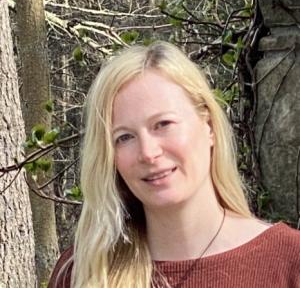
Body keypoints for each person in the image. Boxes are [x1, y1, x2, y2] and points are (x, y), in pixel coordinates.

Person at [48, 41, 300, 288]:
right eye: (124, 137)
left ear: (209, 126)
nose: (148, 153)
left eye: (163, 124)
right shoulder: (83, 273)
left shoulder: (290, 262)